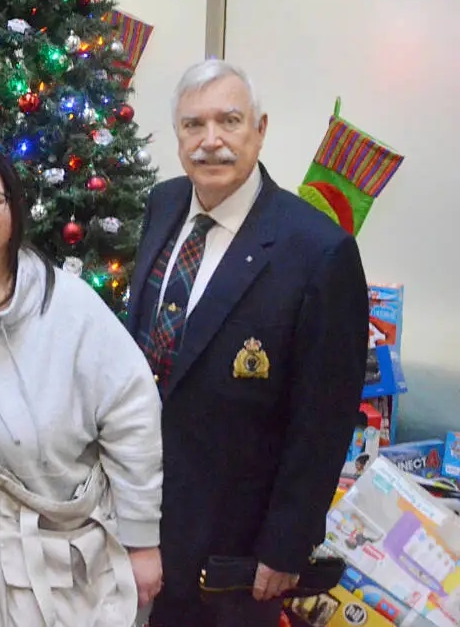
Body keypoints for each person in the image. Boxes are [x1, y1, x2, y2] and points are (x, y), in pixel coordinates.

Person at [126, 59, 369, 627]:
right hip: (141, 517)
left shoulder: (318, 252)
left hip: (235, 548)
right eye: (193, 125)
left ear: (260, 129)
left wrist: (287, 543)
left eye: (229, 121)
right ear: (177, 135)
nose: (210, 141)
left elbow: (325, 419)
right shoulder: (163, 205)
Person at [0, 144, 163, 627]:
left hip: (79, 551)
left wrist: (142, 540)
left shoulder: (70, 304)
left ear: (14, 209)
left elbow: (132, 412)